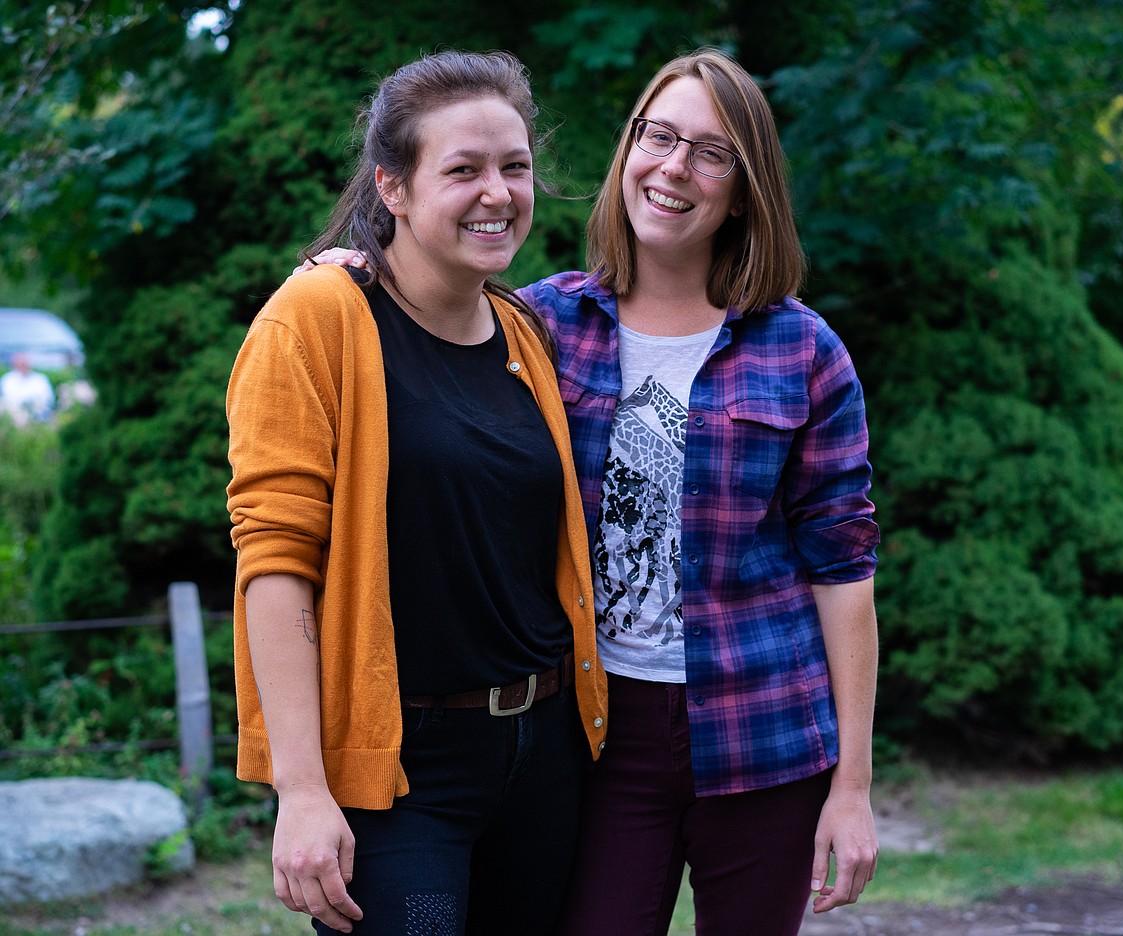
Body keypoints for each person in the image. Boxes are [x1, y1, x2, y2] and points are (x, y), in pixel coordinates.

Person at [303, 46, 880, 935]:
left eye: (712, 152)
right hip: (599, 729)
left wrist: (853, 786)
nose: (675, 167)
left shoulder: (802, 352)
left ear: (745, 185)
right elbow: (430, 326)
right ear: (629, 151)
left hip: (765, 732)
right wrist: (351, 278)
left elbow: (844, 571)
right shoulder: (543, 324)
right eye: (659, 136)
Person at [227, 50, 606, 936]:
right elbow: (275, 563)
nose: (499, 192)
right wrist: (303, 788)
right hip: (402, 771)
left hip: (545, 751)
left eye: (515, 167)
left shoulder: (526, 330)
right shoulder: (316, 318)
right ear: (392, 189)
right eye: (463, 170)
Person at [0, 352, 55, 425]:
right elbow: (6, 399)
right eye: (20, 363)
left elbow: (48, 399)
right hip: (14, 415)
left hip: (38, 415)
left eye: (24, 363)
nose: (22, 365)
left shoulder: (40, 379)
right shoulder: (7, 380)